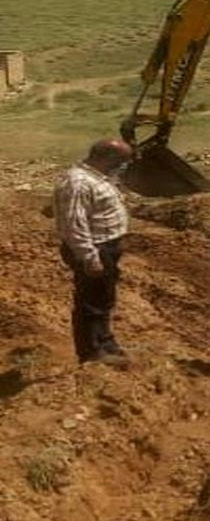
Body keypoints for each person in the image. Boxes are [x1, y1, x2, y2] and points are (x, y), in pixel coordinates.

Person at [53, 138, 134, 365]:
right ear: (106, 158)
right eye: (121, 161)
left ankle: (106, 342)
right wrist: (89, 257)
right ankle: (91, 352)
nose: (123, 166)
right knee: (90, 302)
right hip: (94, 248)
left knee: (104, 298)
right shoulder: (77, 183)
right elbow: (74, 224)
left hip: (106, 246)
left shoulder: (98, 178)